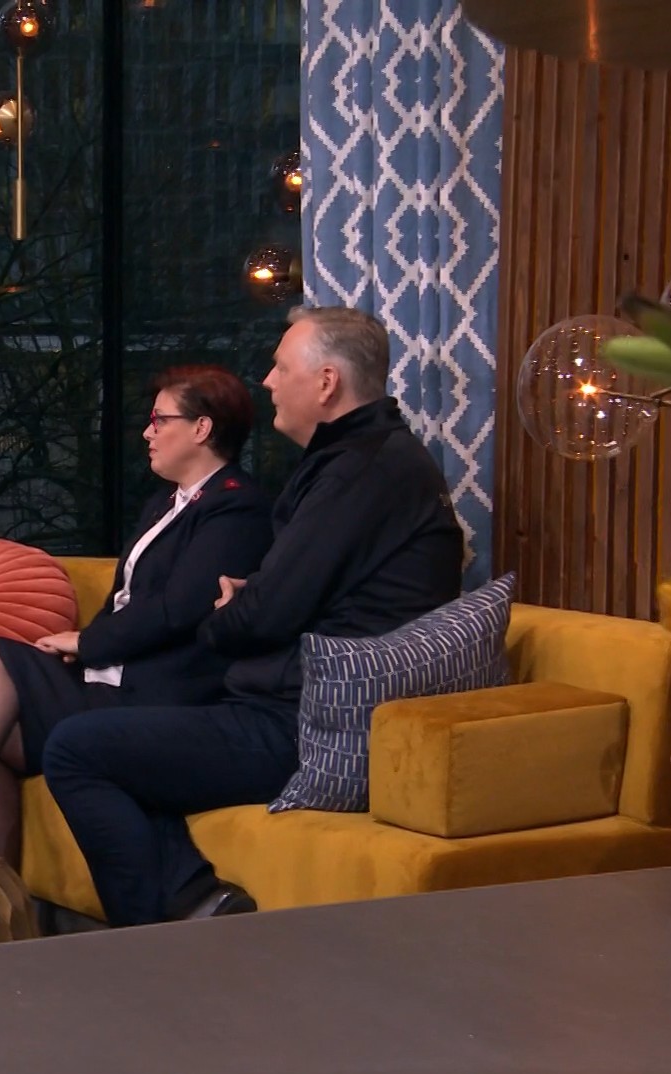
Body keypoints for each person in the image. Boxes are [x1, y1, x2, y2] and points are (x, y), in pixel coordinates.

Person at [43, 306, 464, 927]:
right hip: (291, 706)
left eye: (280, 366)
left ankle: (155, 939)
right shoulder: (361, 461)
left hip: (305, 724)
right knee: (110, 737)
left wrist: (236, 608)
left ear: (326, 382)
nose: (267, 381)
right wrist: (255, 596)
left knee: (76, 748)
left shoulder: (361, 471)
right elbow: (289, 592)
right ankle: (192, 898)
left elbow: (260, 617)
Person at [0, 365, 273, 862]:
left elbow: (178, 608)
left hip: (159, 694)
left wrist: (87, 642)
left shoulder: (237, 508)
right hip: (108, 677)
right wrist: (85, 647)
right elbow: (125, 598)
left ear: (202, 428)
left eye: (159, 420)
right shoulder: (165, 503)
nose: (147, 433)